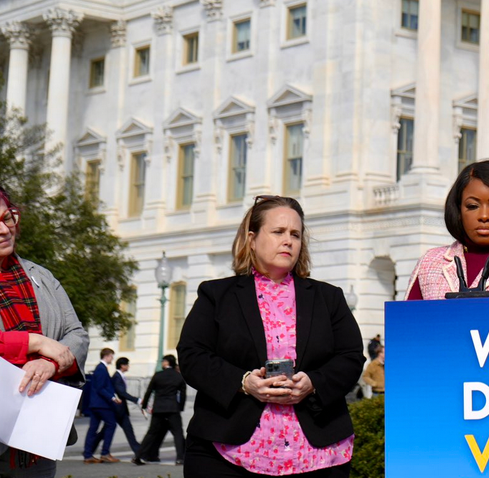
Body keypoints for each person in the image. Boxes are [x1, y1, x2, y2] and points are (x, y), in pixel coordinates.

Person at [178, 195, 364, 477]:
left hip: (317, 452)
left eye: (295, 234)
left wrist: (314, 383)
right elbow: (192, 355)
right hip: (227, 451)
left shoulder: (329, 298)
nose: (288, 240)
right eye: (278, 232)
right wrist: (244, 382)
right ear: (252, 239)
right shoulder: (216, 295)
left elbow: (350, 357)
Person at [0, 185, 88, 477]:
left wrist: (48, 363)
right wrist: (33, 342)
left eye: (7, 218)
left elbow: (76, 334)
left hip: (37, 440)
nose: (3, 229)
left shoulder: (41, 276)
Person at [404, 160, 489, 299]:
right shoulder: (430, 262)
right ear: (458, 209)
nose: (484, 216)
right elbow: (407, 319)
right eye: (473, 206)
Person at [134, 354, 187, 466]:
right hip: (172, 407)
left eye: (163, 361)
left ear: (167, 362)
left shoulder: (158, 375)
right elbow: (183, 394)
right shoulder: (178, 376)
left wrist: (144, 406)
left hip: (159, 408)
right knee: (177, 433)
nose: (162, 363)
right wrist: (180, 407)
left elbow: (149, 391)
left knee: (151, 433)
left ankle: (138, 455)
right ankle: (180, 458)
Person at [83, 348, 122, 464]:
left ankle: (88, 455)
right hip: (102, 404)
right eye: (111, 356)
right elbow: (100, 388)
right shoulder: (101, 369)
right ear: (107, 356)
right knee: (111, 424)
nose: (112, 359)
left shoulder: (100, 368)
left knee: (93, 429)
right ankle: (105, 453)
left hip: (96, 404)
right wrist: (113, 398)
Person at [103, 357, 143, 459]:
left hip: (120, 409)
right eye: (127, 364)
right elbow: (122, 393)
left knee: (128, 430)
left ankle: (139, 451)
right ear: (122, 365)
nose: (128, 366)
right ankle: (90, 450)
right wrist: (136, 400)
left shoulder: (119, 376)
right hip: (118, 408)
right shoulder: (117, 377)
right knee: (108, 430)